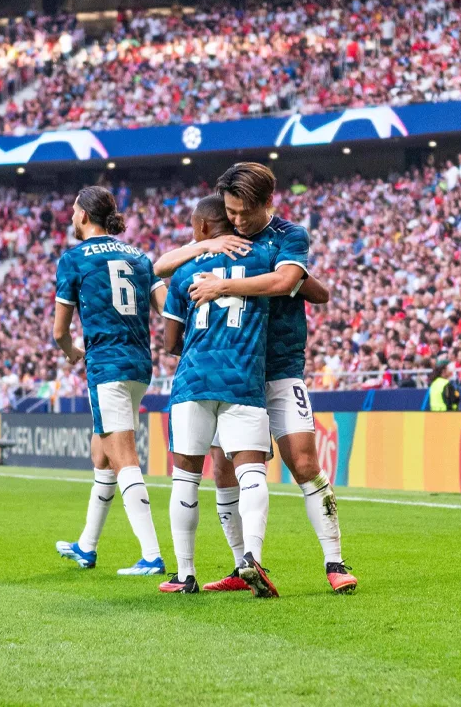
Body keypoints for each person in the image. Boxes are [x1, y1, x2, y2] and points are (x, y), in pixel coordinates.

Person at [187, 163, 356, 594]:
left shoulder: (289, 236)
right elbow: (309, 289)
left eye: (245, 212)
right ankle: (241, 566)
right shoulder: (227, 236)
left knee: (303, 462)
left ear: (268, 203)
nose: (238, 221)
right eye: (230, 212)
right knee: (224, 470)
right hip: (235, 373)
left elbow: (287, 281)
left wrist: (227, 286)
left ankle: (335, 562)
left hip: (280, 368)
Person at [157, 193, 284, 598]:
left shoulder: (185, 273)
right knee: (251, 473)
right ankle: (253, 558)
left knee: (186, 478)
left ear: (205, 228)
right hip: (244, 378)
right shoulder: (264, 262)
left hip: (194, 380)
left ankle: (185, 573)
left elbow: (170, 341)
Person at [53, 186, 167, 577]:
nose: (70, 217)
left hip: (108, 365)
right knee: (101, 454)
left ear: (85, 215)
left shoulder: (73, 259)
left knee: (122, 458)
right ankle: (86, 546)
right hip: (139, 362)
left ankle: (151, 555)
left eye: (73, 210)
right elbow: (166, 308)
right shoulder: (139, 257)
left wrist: (70, 351)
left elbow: (59, 331)